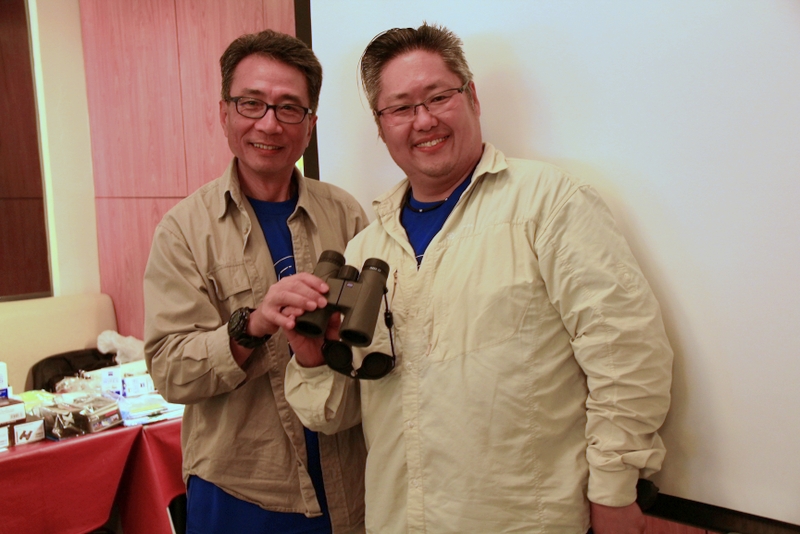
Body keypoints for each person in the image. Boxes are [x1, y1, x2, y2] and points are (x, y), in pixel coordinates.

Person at [283, 23, 673, 534]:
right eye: (400, 108)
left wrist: (615, 489)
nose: (424, 120)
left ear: (472, 97)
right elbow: (335, 416)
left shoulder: (549, 203)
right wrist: (311, 358)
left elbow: (625, 352)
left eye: (438, 97)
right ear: (381, 126)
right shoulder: (365, 250)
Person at [144, 30, 368, 534]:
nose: (269, 123)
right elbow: (170, 371)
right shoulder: (184, 230)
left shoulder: (346, 214)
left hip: (348, 478)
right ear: (224, 113)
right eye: (251, 103)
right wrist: (254, 324)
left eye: (289, 108)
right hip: (240, 490)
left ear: (309, 126)